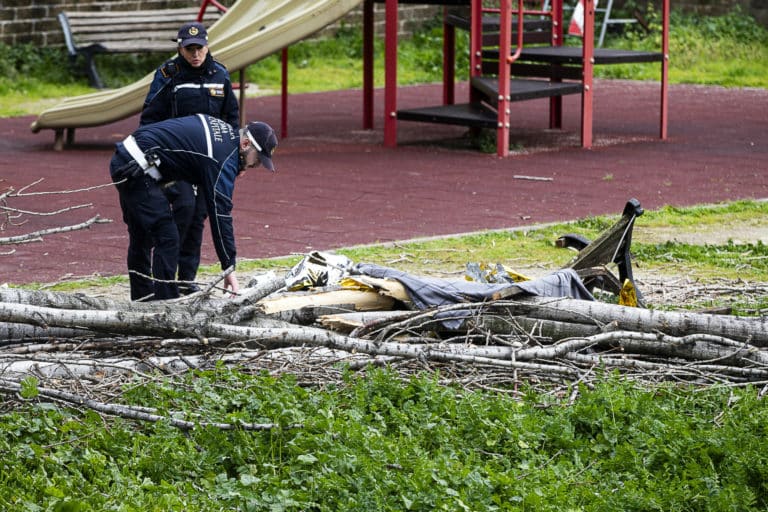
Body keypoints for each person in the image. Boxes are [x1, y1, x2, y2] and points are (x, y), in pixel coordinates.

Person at [109, 115, 277, 301]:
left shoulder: (225, 135)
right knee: (167, 236)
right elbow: (220, 214)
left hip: (128, 154)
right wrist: (228, 266)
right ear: (245, 144)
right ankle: (165, 304)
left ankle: (143, 300)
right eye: (258, 159)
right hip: (135, 166)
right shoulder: (223, 158)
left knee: (142, 235)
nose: (255, 165)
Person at [140, 21, 240, 294]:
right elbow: (149, 120)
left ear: (208, 46)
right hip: (176, 160)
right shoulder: (168, 74)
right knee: (183, 209)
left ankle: (186, 280)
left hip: (207, 161)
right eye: (189, 49)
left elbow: (231, 118)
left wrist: (229, 159)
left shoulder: (220, 74)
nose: (195, 54)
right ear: (180, 49)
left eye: (200, 48)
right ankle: (165, 280)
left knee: (198, 216)